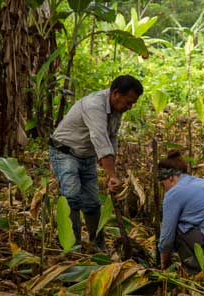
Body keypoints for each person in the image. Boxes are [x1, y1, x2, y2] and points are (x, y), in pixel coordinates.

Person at [49, 75, 143, 251]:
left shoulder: (116, 110)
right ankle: (72, 248)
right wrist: (112, 175)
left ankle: (97, 246)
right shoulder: (94, 105)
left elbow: (111, 140)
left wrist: (111, 172)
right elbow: (99, 139)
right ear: (115, 94)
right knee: (72, 198)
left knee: (92, 202)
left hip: (86, 156)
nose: (129, 107)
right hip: (65, 152)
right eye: (128, 102)